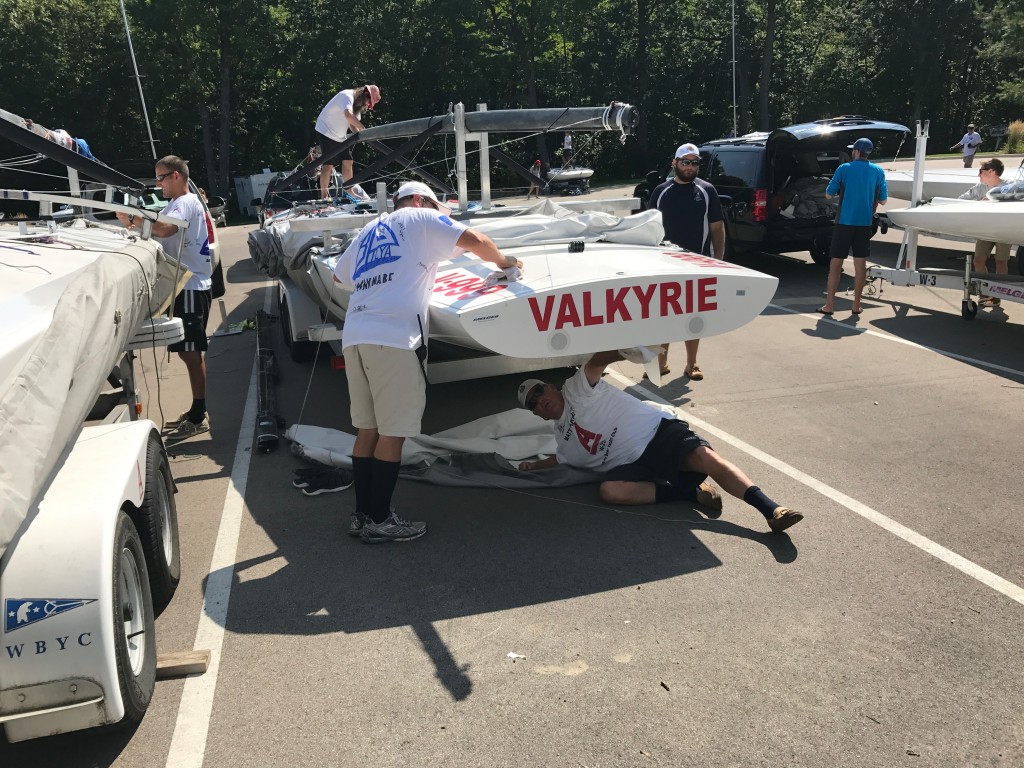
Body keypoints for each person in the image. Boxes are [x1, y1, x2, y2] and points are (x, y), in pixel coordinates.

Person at [332, 181, 523, 543]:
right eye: (438, 209)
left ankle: (360, 515)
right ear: (421, 201)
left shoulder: (371, 228)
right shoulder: (421, 216)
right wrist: (507, 263)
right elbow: (478, 242)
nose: (439, 216)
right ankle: (380, 520)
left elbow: (339, 276)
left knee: (367, 430)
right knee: (393, 432)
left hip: (356, 335)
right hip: (392, 338)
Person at [515, 352, 803, 534]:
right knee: (610, 491)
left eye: (539, 391)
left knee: (706, 459)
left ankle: (771, 509)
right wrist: (534, 464)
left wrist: (629, 350)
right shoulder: (560, 437)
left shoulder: (576, 388)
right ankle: (685, 492)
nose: (540, 400)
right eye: (533, 404)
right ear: (537, 414)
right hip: (632, 464)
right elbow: (561, 459)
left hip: (655, 433)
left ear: (551, 387)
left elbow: (597, 362)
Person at [117, 156, 213, 441]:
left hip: (191, 285)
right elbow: (161, 230)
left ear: (175, 176)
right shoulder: (177, 204)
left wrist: (131, 217)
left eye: (160, 178)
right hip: (186, 284)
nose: (158, 184)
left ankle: (198, 415)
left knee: (191, 353)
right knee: (187, 352)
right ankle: (197, 410)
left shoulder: (183, 202)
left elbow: (166, 229)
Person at [649, 143, 726, 380]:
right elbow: (648, 227)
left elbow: (717, 227)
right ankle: (660, 363)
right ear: (675, 163)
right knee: (663, 316)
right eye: (685, 162)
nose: (690, 167)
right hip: (664, 264)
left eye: (695, 162)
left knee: (693, 318)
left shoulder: (706, 190)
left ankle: (691, 364)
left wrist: (718, 261)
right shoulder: (660, 191)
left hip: (696, 264)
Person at [818, 137, 887, 317]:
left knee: (836, 263)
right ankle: (856, 305)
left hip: (844, 222)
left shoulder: (844, 169)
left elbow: (828, 194)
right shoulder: (878, 171)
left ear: (856, 152)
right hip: (864, 224)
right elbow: (883, 199)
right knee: (860, 263)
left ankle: (829, 305)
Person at [314, 84, 381, 200]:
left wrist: (360, 135)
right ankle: (324, 196)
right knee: (328, 164)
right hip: (325, 131)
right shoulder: (347, 96)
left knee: (348, 161)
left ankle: (349, 190)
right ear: (365, 94)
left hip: (339, 136)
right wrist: (364, 130)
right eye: (368, 102)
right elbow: (348, 116)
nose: (366, 105)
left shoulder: (357, 105)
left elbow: (352, 125)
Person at [960, 158, 1010, 306]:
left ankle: (997, 295)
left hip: (1004, 229)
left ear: (991, 172)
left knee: (1001, 261)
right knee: (978, 260)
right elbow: (962, 200)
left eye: (980, 171)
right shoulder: (980, 187)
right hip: (986, 229)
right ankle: (986, 292)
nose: (978, 175)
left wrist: (993, 202)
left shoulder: (1008, 186)